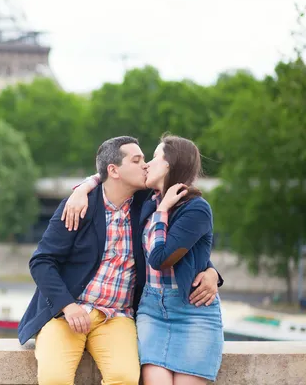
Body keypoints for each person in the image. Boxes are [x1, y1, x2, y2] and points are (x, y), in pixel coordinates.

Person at [17, 136, 223, 385]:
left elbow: (177, 247)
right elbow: (41, 261)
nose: (146, 165)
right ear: (114, 171)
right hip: (68, 313)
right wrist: (67, 306)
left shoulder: (147, 204)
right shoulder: (78, 206)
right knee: (55, 379)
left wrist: (211, 272)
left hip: (117, 316)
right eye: (137, 160)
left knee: (125, 378)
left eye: (148, 159)